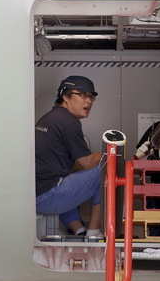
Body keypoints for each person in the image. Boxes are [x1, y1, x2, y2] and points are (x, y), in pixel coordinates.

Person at [35, 76, 103, 237]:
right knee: (107, 168)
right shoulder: (68, 121)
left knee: (66, 176)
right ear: (65, 97)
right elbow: (86, 163)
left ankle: (78, 229)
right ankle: (94, 231)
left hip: (36, 196)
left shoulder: (49, 118)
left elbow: (72, 167)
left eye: (91, 96)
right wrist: (111, 152)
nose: (88, 101)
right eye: (82, 95)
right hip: (48, 197)